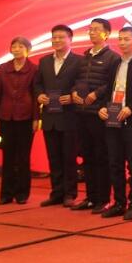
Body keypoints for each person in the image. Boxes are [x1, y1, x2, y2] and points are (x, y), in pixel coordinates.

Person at [97, 26, 132, 221]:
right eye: (120, 39)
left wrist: (131, 108)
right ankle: (119, 203)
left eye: (126, 39)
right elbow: (108, 90)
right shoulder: (114, 63)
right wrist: (103, 107)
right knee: (114, 163)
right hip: (113, 119)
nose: (122, 42)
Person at [70, 18, 120, 214]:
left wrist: (96, 94)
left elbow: (112, 84)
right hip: (81, 113)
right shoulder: (84, 58)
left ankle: (103, 199)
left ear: (106, 34)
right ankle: (90, 197)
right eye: (90, 29)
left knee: (101, 157)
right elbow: (77, 80)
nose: (91, 32)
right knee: (87, 156)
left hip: (99, 114)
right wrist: (74, 92)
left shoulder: (113, 58)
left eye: (96, 29)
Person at [34, 25, 82, 207]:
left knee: (69, 157)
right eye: (54, 37)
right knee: (53, 157)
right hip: (50, 117)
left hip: (69, 116)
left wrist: (72, 96)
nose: (57, 40)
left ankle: (70, 194)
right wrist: (39, 95)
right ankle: (56, 193)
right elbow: (37, 84)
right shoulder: (44, 61)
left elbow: (82, 84)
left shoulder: (79, 61)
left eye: (61, 37)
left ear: (70, 39)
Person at [0, 36, 38, 205]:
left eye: (20, 47)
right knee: (8, 156)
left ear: (28, 50)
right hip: (5, 116)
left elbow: (36, 95)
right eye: (14, 47)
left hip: (26, 117)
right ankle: (6, 194)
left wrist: (36, 118)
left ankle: (22, 193)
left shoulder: (34, 69)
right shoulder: (3, 68)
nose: (16, 49)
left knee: (23, 157)